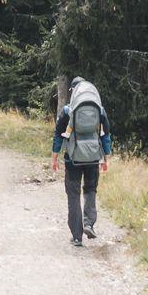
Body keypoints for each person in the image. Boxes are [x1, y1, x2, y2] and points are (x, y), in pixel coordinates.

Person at [50, 76, 111, 247]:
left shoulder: (68, 111)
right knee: (90, 190)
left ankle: (77, 236)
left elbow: (58, 134)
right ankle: (89, 224)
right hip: (93, 158)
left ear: (73, 91)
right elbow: (105, 134)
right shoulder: (99, 110)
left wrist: (54, 157)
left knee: (74, 194)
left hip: (72, 159)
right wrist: (107, 158)